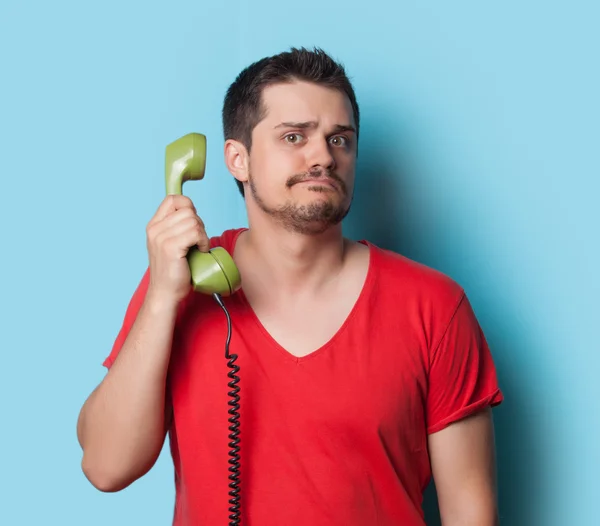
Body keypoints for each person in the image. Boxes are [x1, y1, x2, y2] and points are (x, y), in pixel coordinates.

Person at [77, 47, 504, 525]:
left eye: (340, 139)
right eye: (294, 136)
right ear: (237, 159)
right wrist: (161, 298)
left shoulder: (434, 307)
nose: (322, 156)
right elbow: (105, 466)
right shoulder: (178, 286)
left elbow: (471, 511)